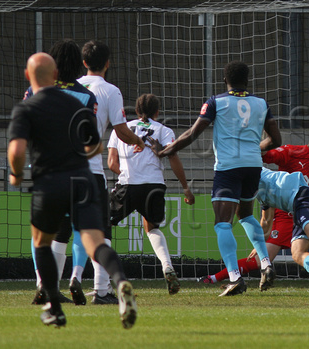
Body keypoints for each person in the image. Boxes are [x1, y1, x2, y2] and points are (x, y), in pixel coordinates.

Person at [7, 52, 137, 328]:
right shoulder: (79, 102)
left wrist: (16, 175)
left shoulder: (27, 106)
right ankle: (120, 281)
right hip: (83, 180)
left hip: (50, 182)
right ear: (55, 75)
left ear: (28, 76)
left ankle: (54, 306)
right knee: (95, 242)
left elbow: (17, 149)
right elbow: (96, 145)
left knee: (42, 241)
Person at [149, 61, 282, 296]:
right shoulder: (261, 103)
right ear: (247, 81)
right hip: (253, 166)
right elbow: (276, 139)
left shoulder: (216, 101)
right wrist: (253, 148)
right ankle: (266, 263)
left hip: (228, 168)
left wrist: (166, 150)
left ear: (224, 80)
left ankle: (234, 277)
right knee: (247, 215)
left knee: (222, 222)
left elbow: (192, 133)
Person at [199, 123, 309, 285]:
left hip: (305, 203)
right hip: (286, 215)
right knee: (292, 255)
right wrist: (259, 245)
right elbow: (265, 219)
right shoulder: (290, 154)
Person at [24, 39, 98, 307]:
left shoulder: (35, 91)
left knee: (40, 230)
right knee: (73, 229)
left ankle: (42, 283)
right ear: (79, 63)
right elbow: (91, 140)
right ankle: (72, 277)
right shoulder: (87, 96)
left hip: (42, 170)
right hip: (74, 171)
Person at [78, 40, 146, 304]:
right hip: (91, 170)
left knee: (54, 232)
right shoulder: (110, 91)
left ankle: (49, 286)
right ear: (108, 63)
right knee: (100, 231)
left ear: (84, 63)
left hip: (60, 168)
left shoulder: (70, 87)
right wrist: (138, 141)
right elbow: (121, 131)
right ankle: (102, 291)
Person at [107, 94, 195, 295]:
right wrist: (185, 188)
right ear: (157, 112)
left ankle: (103, 284)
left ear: (136, 111)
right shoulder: (164, 130)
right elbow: (172, 157)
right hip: (154, 186)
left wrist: (130, 174)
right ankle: (167, 267)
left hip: (128, 184)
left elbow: (112, 164)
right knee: (152, 227)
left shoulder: (121, 129)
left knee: (101, 225)